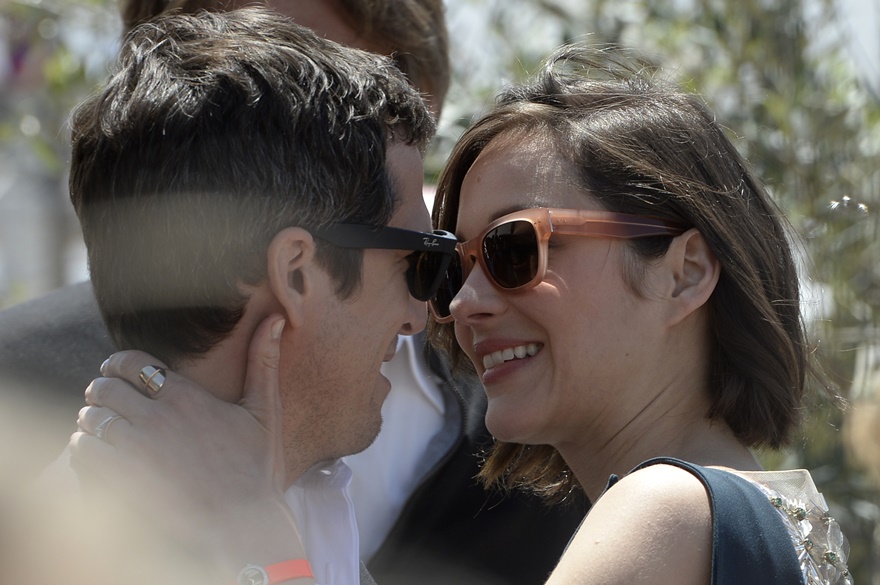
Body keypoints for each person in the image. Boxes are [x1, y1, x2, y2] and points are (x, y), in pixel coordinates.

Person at [77, 44, 854, 584]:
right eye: (449, 264)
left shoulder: (665, 514)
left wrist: (255, 538)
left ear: (684, 273)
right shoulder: (781, 505)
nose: (459, 304)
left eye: (517, 250)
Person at [2, 1, 585, 583]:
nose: (421, 314)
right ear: (297, 272)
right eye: (416, 260)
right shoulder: (83, 553)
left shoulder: (300, 498)